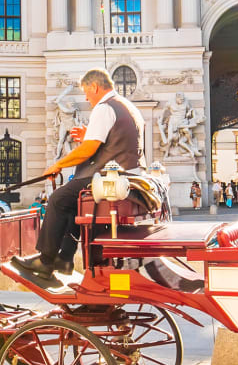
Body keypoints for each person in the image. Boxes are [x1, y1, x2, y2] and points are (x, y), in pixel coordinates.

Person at [9, 68, 144, 285]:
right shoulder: (127, 106)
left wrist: (58, 165)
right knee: (73, 202)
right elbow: (112, 141)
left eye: (86, 92)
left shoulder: (104, 107)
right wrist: (87, 136)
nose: (86, 97)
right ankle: (64, 260)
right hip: (127, 176)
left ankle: (45, 261)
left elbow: (89, 150)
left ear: (95, 86)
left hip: (110, 179)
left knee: (57, 199)